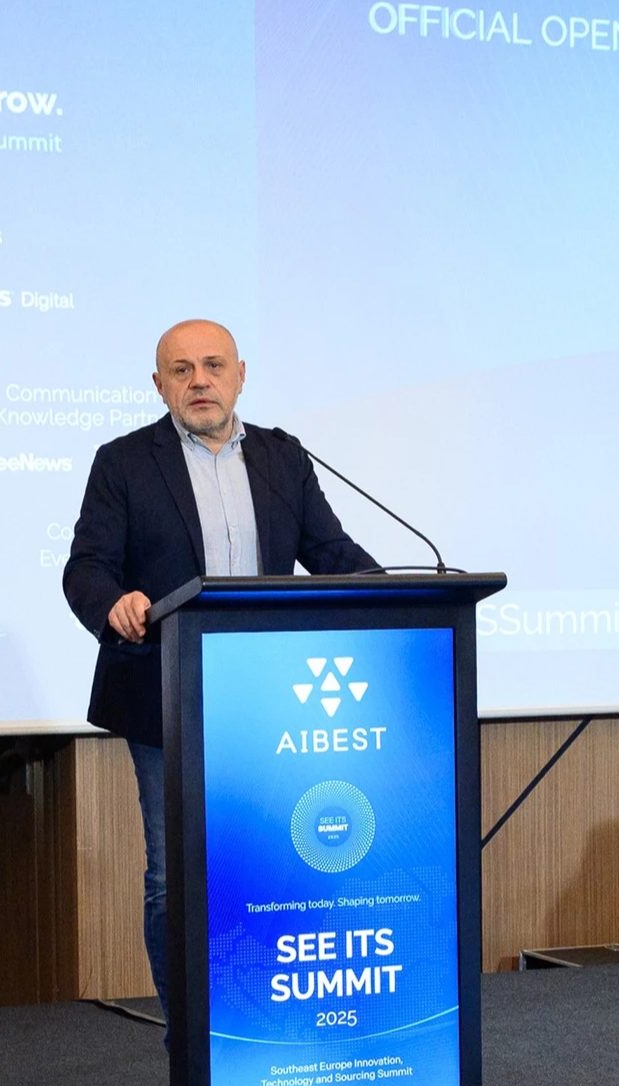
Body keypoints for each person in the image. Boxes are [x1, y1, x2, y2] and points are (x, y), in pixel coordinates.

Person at [61, 319, 378, 1042]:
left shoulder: (281, 456)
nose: (198, 381)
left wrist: (398, 593)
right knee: (174, 877)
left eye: (212, 366)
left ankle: (270, 1033)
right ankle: (194, 1045)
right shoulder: (123, 462)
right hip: (166, 693)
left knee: (270, 870)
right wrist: (114, 603)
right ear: (159, 385)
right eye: (182, 370)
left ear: (240, 374)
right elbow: (87, 566)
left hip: (270, 699)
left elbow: (330, 550)